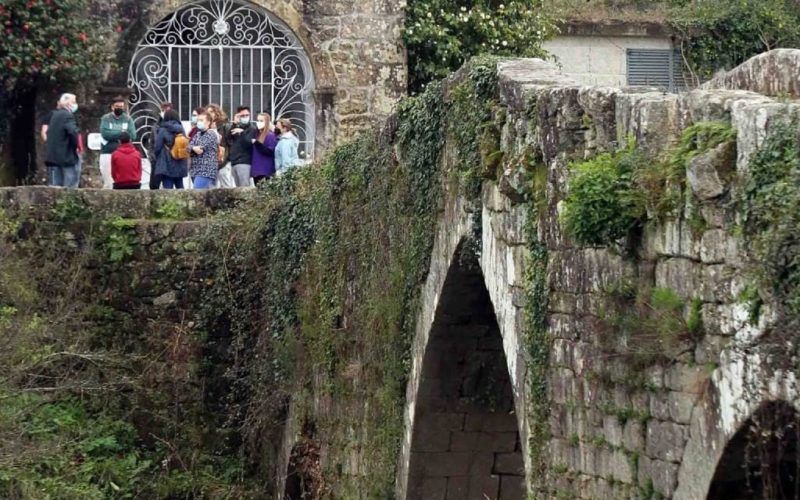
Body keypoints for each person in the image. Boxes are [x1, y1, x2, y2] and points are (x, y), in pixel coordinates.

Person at [99, 97, 137, 189]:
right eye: (117, 106)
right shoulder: (106, 118)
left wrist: (114, 133)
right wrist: (122, 133)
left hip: (123, 154)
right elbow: (105, 134)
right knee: (108, 182)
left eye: (121, 106)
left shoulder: (128, 119)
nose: (119, 108)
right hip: (107, 152)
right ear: (112, 107)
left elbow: (132, 135)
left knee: (121, 181)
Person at [44, 93, 80, 188]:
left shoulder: (54, 115)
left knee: (56, 187)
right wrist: (77, 146)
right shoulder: (67, 116)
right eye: (74, 102)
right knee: (70, 187)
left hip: (54, 157)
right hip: (66, 156)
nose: (76, 104)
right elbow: (72, 132)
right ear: (68, 103)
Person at [153, 109, 188, 189]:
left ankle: (170, 202)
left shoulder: (163, 129)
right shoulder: (181, 129)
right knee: (180, 187)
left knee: (168, 189)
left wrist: (157, 158)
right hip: (180, 161)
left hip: (166, 162)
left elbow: (157, 147)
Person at [206, 103, 235, 188]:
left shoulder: (225, 125)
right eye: (208, 112)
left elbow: (229, 141)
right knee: (211, 187)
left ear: (217, 113)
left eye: (212, 112)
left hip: (224, 160)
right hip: (210, 161)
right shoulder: (206, 126)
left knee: (226, 185)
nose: (210, 114)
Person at [188, 112, 219, 190]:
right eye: (198, 120)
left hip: (206, 171)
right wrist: (193, 148)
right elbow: (188, 147)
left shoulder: (211, 134)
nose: (199, 122)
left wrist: (192, 147)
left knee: (197, 193)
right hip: (195, 170)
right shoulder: (197, 134)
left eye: (201, 120)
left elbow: (200, 149)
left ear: (208, 122)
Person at [227, 106, 256, 187]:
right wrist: (234, 124)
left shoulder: (252, 129)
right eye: (242, 116)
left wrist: (242, 133)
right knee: (238, 188)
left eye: (247, 115)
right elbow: (229, 139)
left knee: (245, 188)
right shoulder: (236, 126)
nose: (245, 117)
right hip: (234, 161)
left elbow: (249, 143)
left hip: (245, 162)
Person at [149, 102, 174, 190]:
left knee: (168, 187)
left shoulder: (175, 126)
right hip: (156, 161)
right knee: (153, 187)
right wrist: (152, 157)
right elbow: (151, 144)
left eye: (167, 111)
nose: (165, 113)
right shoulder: (156, 126)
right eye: (163, 110)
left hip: (169, 161)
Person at [250, 112, 278, 185]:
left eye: (261, 121)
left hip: (265, 170)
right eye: (258, 120)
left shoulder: (270, 135)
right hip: (257, 170)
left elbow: (270, 151)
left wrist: (257, 144)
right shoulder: (258, 134)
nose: (259, 123)